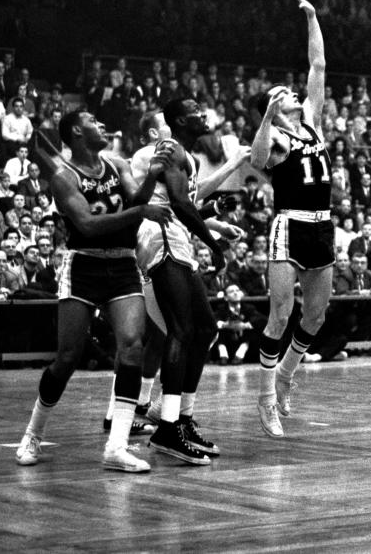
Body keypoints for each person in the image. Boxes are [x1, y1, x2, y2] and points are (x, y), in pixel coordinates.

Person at [15, 110, 171, 472]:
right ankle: (33, 432)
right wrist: (140, 213)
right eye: (92, 121)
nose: (102, 124)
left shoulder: (116, 164)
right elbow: (87, 224)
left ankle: (116, 446)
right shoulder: (63, 176)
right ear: (76, 132)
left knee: (132, 345)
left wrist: (153, 176)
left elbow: (136, 203)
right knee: (68, 356)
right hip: (83, 264)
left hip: (122, 264)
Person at [250, 0, 334, 439]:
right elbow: (259, 161)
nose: (294, 95)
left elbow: (317, 67)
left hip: (322, 226)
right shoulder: (277, 137)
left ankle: (286, 373)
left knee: (316, 316)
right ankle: (266, 399)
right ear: (275, 108)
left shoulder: (312, 123)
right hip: (289, 225)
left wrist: (312, 18)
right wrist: (265, 116)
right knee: (280, 314)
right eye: (283, 95)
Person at [139, 98, 229, 465]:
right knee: (181, 329)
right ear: (179, 120)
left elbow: (186, 201)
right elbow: (177, 202)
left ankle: (182, 418)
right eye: (194, 109)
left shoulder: (185, 155)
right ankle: (167, 428)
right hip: (161, 236)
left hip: (175, 238)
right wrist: (213, 244)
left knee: (205, 329)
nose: (203, 113)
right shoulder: (172, 148)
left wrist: (211, 219)